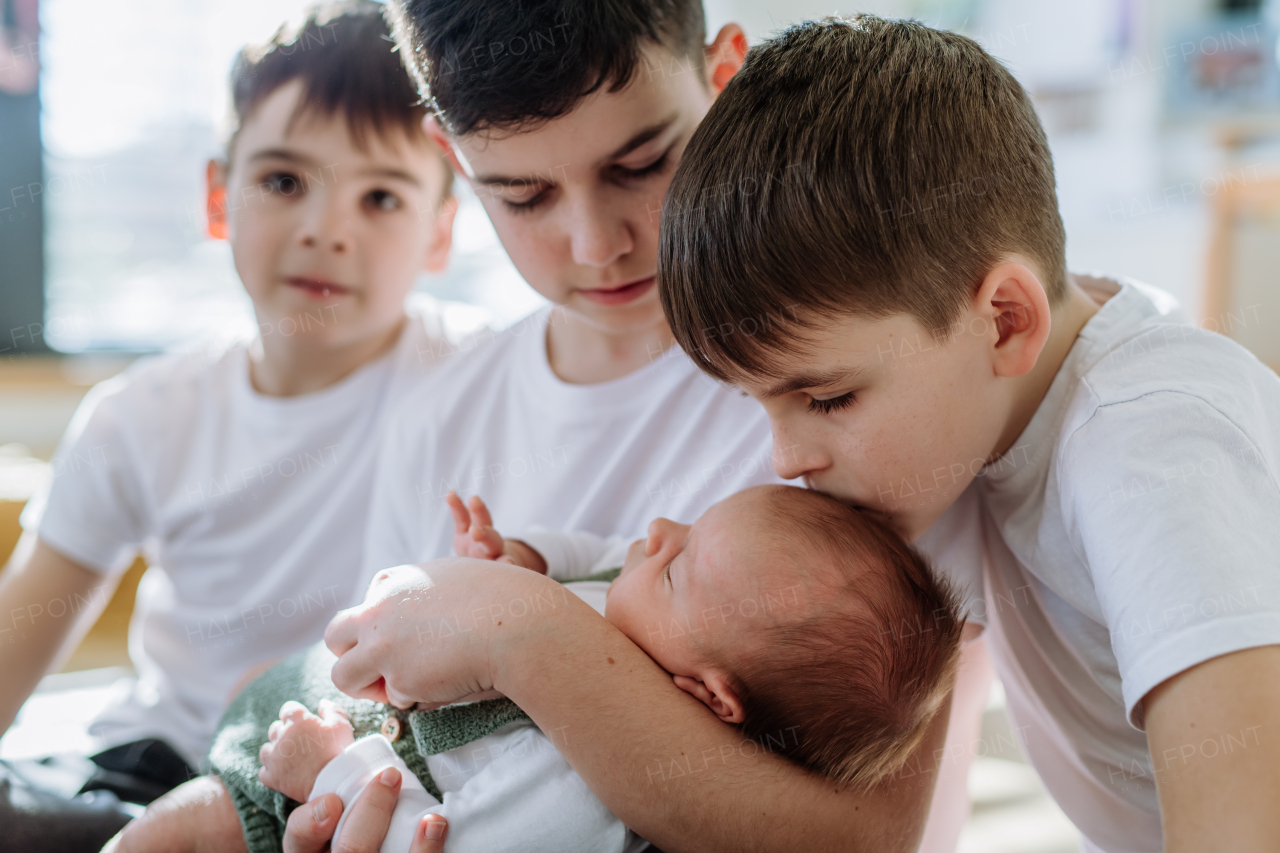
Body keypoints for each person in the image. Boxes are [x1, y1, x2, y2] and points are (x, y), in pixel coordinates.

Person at [276, 1, 995, 851]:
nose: (595, 243)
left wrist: (524, 631)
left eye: (642, 164)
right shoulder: (439, 416)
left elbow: (861, 837)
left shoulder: (843, 402)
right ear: (450, 160)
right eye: (524, 194)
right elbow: (383, 704)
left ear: (724, 79)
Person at [656, 16, 1280, 853]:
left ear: (1004, 320)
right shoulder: (977, 411)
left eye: (830, 398)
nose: (787, 458)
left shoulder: (1146, 443)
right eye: (759, 402)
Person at [0, 3, 473, 849]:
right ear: (220, 197)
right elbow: (18, 634)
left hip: (346, 778)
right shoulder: (142, 413)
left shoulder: (479, 382)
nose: (326, 229)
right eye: (284, 182)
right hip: (151, 768)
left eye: (380, 196)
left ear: (441, 230)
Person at [107, 485, 964, 853]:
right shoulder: (647, 618)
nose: (659, 529)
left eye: (677, 561)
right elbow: (596, 557)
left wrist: (332, 766)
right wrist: (517, 556)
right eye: (694, 522)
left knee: (163, 837)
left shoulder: (591, 781)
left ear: (706, 694)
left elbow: (454, 838)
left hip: (276, 797)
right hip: (252, 727)